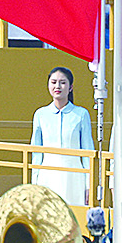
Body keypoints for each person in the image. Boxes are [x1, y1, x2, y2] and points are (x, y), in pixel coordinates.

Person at [31, 66, 93, 205]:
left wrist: (89, 185)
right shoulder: (40, 114)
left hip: (74, 176)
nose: (57, 86)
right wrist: (34, 183)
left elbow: (87, 152)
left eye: (62, 82)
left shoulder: (81, 114)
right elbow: (36, 153)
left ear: (70, 87)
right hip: (47, 174)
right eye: (53, 82)